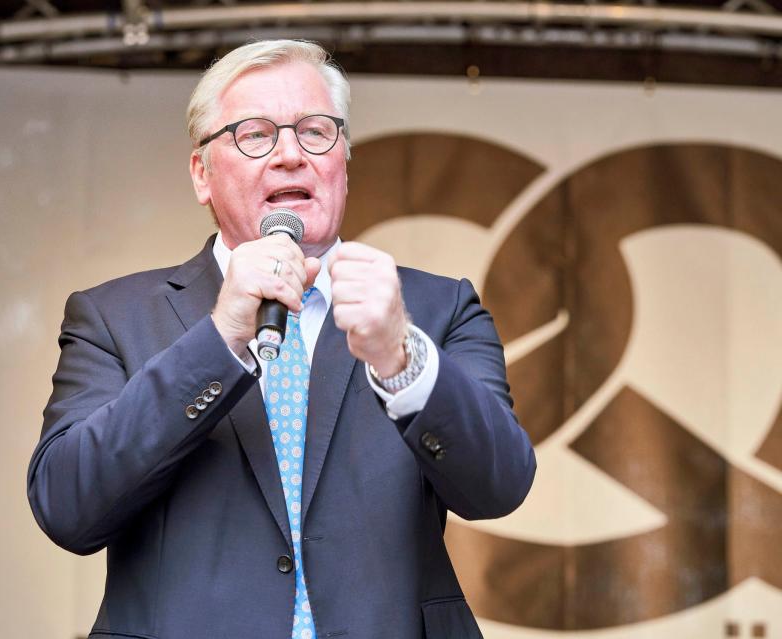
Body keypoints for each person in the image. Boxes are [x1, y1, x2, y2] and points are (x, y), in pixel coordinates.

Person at [27, 39, 536, 639]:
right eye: (254, 134)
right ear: (202, 173)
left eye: (315, 131)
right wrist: (220, 339)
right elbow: (68, 508)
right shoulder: (114, 316)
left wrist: (401, 358)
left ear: (343, 160)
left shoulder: (435, 308)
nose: (290, 154)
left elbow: (500, 484)